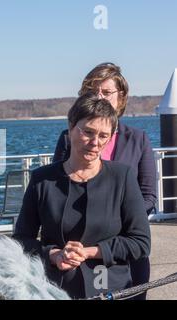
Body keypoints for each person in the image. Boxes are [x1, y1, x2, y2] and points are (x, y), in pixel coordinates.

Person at [14, 94, 151, 299]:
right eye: (88, 132)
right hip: (53, 290)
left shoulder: (122, 177)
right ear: (70, 127)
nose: (95, 142)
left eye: (104, 136)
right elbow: (21, 240)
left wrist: (92, 252)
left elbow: (140, 242)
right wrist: (53, 254)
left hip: (111, 289)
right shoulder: (42, 180)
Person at [53, 62, 156, 299]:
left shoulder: (137, 139)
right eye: (92, 91)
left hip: (125, 252)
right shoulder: (69, 139)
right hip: (76, 256)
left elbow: (149, 195)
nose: (99, 97)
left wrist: (115, 218)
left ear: (120, 98)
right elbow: (57, 187)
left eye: (106, 92)